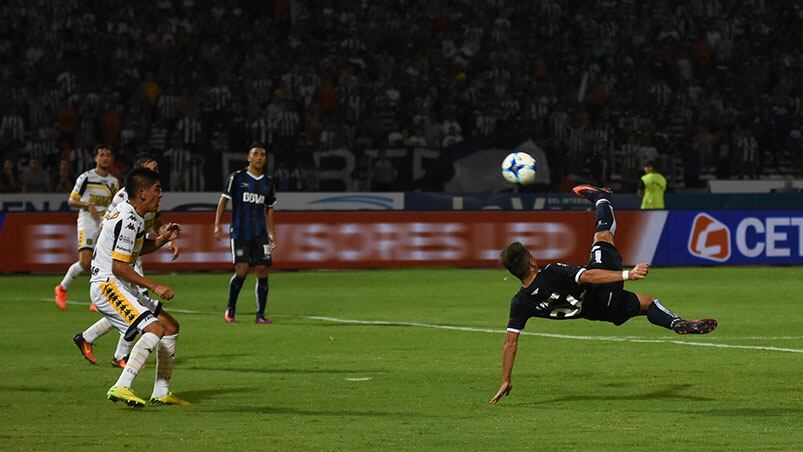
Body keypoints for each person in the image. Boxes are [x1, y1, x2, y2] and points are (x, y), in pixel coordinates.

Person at [490, 185, 717, 405]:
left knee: (647, 303)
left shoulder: (520, 303)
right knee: (603, 237)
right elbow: (589, 277)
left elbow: (510, 344)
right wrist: (627, 274)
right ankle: (601, 198)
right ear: (531, 260)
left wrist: (506, 379)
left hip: (599, 311)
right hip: (600, 289)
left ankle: (677, 323)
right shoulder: (551, 272)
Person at [72, 153, 180, 369]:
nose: (156, 171)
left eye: (157, 167)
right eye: (151, 167)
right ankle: (120, 357)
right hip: (121, 255)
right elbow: (112, 226)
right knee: (139, 309)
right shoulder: (125, 200)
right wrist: (111, 253)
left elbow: (155, 220)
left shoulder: (152, 195)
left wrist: (163, 236)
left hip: (133, 249)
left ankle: (90, 338)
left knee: (135, 307)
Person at [93, 167, 187, 407]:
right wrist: (154, 285)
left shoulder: (133, 216)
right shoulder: (127, 218)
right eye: (157, 189)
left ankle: (161, 391)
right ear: (142, 193)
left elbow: (136, 249)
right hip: (107, 285)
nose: (161, 194)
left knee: (169, 326)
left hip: (117, 283)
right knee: (154, 329)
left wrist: (162, 239)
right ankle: (121, 386)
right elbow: (119, 267)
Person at [213, 145, 277, 324]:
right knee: (241, 269)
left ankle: (260, 315)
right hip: (240, 232)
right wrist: (217, 225)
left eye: (263, 154)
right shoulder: (237, 177)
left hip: (260, 234)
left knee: (262, 269)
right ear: (249, 158)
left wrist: (272, 232)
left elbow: (270, 209)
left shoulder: (268, 182)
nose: (260, 157)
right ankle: (231, 308)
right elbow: (223, 200)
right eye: (256, 154)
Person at [54, 145, 119, 311]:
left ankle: (99, 300)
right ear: (95, 158)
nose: (105, 158)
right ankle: (62, 288)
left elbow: (116, 204)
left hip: (104, 222)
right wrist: (88, 205)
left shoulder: (113, 182)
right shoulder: (86, 177)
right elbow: (71, 200)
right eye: (102, 155)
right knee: (85, 262)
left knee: (106, 261)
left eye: (108, 155)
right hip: (87, 221)